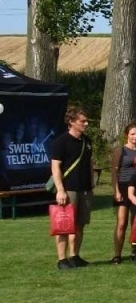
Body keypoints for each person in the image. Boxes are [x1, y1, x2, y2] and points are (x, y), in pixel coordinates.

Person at [48, 105, 95, 270]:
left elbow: (89, 163)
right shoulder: (60, 142)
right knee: (64, 225)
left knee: (80, 225)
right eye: (83, 121)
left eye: (86, 121)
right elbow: (55, 167)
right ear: (71, 122)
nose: (86, 124)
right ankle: (62, 260)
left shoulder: (87, 141)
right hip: (69, 189)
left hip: (85, 189)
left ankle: (75, 256)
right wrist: (60, 190)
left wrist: (92, 183)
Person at [110, 122, 136, 264]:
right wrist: (116, 190)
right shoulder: (120, 150)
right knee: (121, 223)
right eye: (132, 134)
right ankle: (117, 254)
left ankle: (135, 252)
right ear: (127, 135)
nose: (135, 137)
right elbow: (114, 172)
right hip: (123, 188)